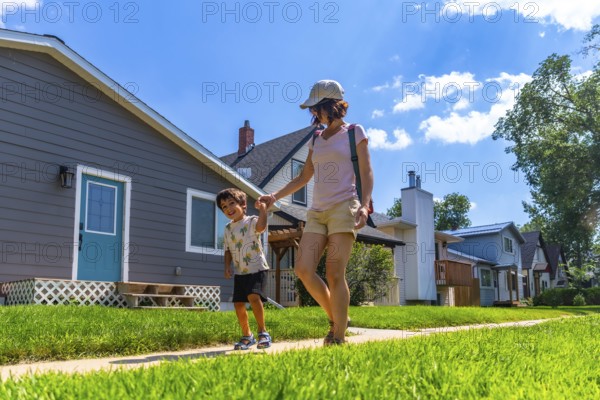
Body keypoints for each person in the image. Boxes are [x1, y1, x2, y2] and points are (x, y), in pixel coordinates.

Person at [259, 79, 374, 345]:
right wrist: (274, 195)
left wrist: (365, 205)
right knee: (303, 269)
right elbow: (304, 176)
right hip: (317, 211)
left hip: (344, 207)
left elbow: (367, 172)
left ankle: (338, 336)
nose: (313, 113)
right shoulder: (316, 139)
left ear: (330, 105)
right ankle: (336, 320)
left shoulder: (355, 132)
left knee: (335, 273)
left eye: (316, 108)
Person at [217, 188, 272, 350]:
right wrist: (227, 266)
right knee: (238, 304)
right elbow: (227, 250)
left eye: (231, 203)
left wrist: (263, 210)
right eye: (224, 206)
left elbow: (261, 227)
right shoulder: (227, 229)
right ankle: (247, 336)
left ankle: (263, 332)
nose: (228, 208)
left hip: (257, 268)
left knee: (254, 298)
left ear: (242, 205)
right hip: (241, 272)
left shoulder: (252, 221)